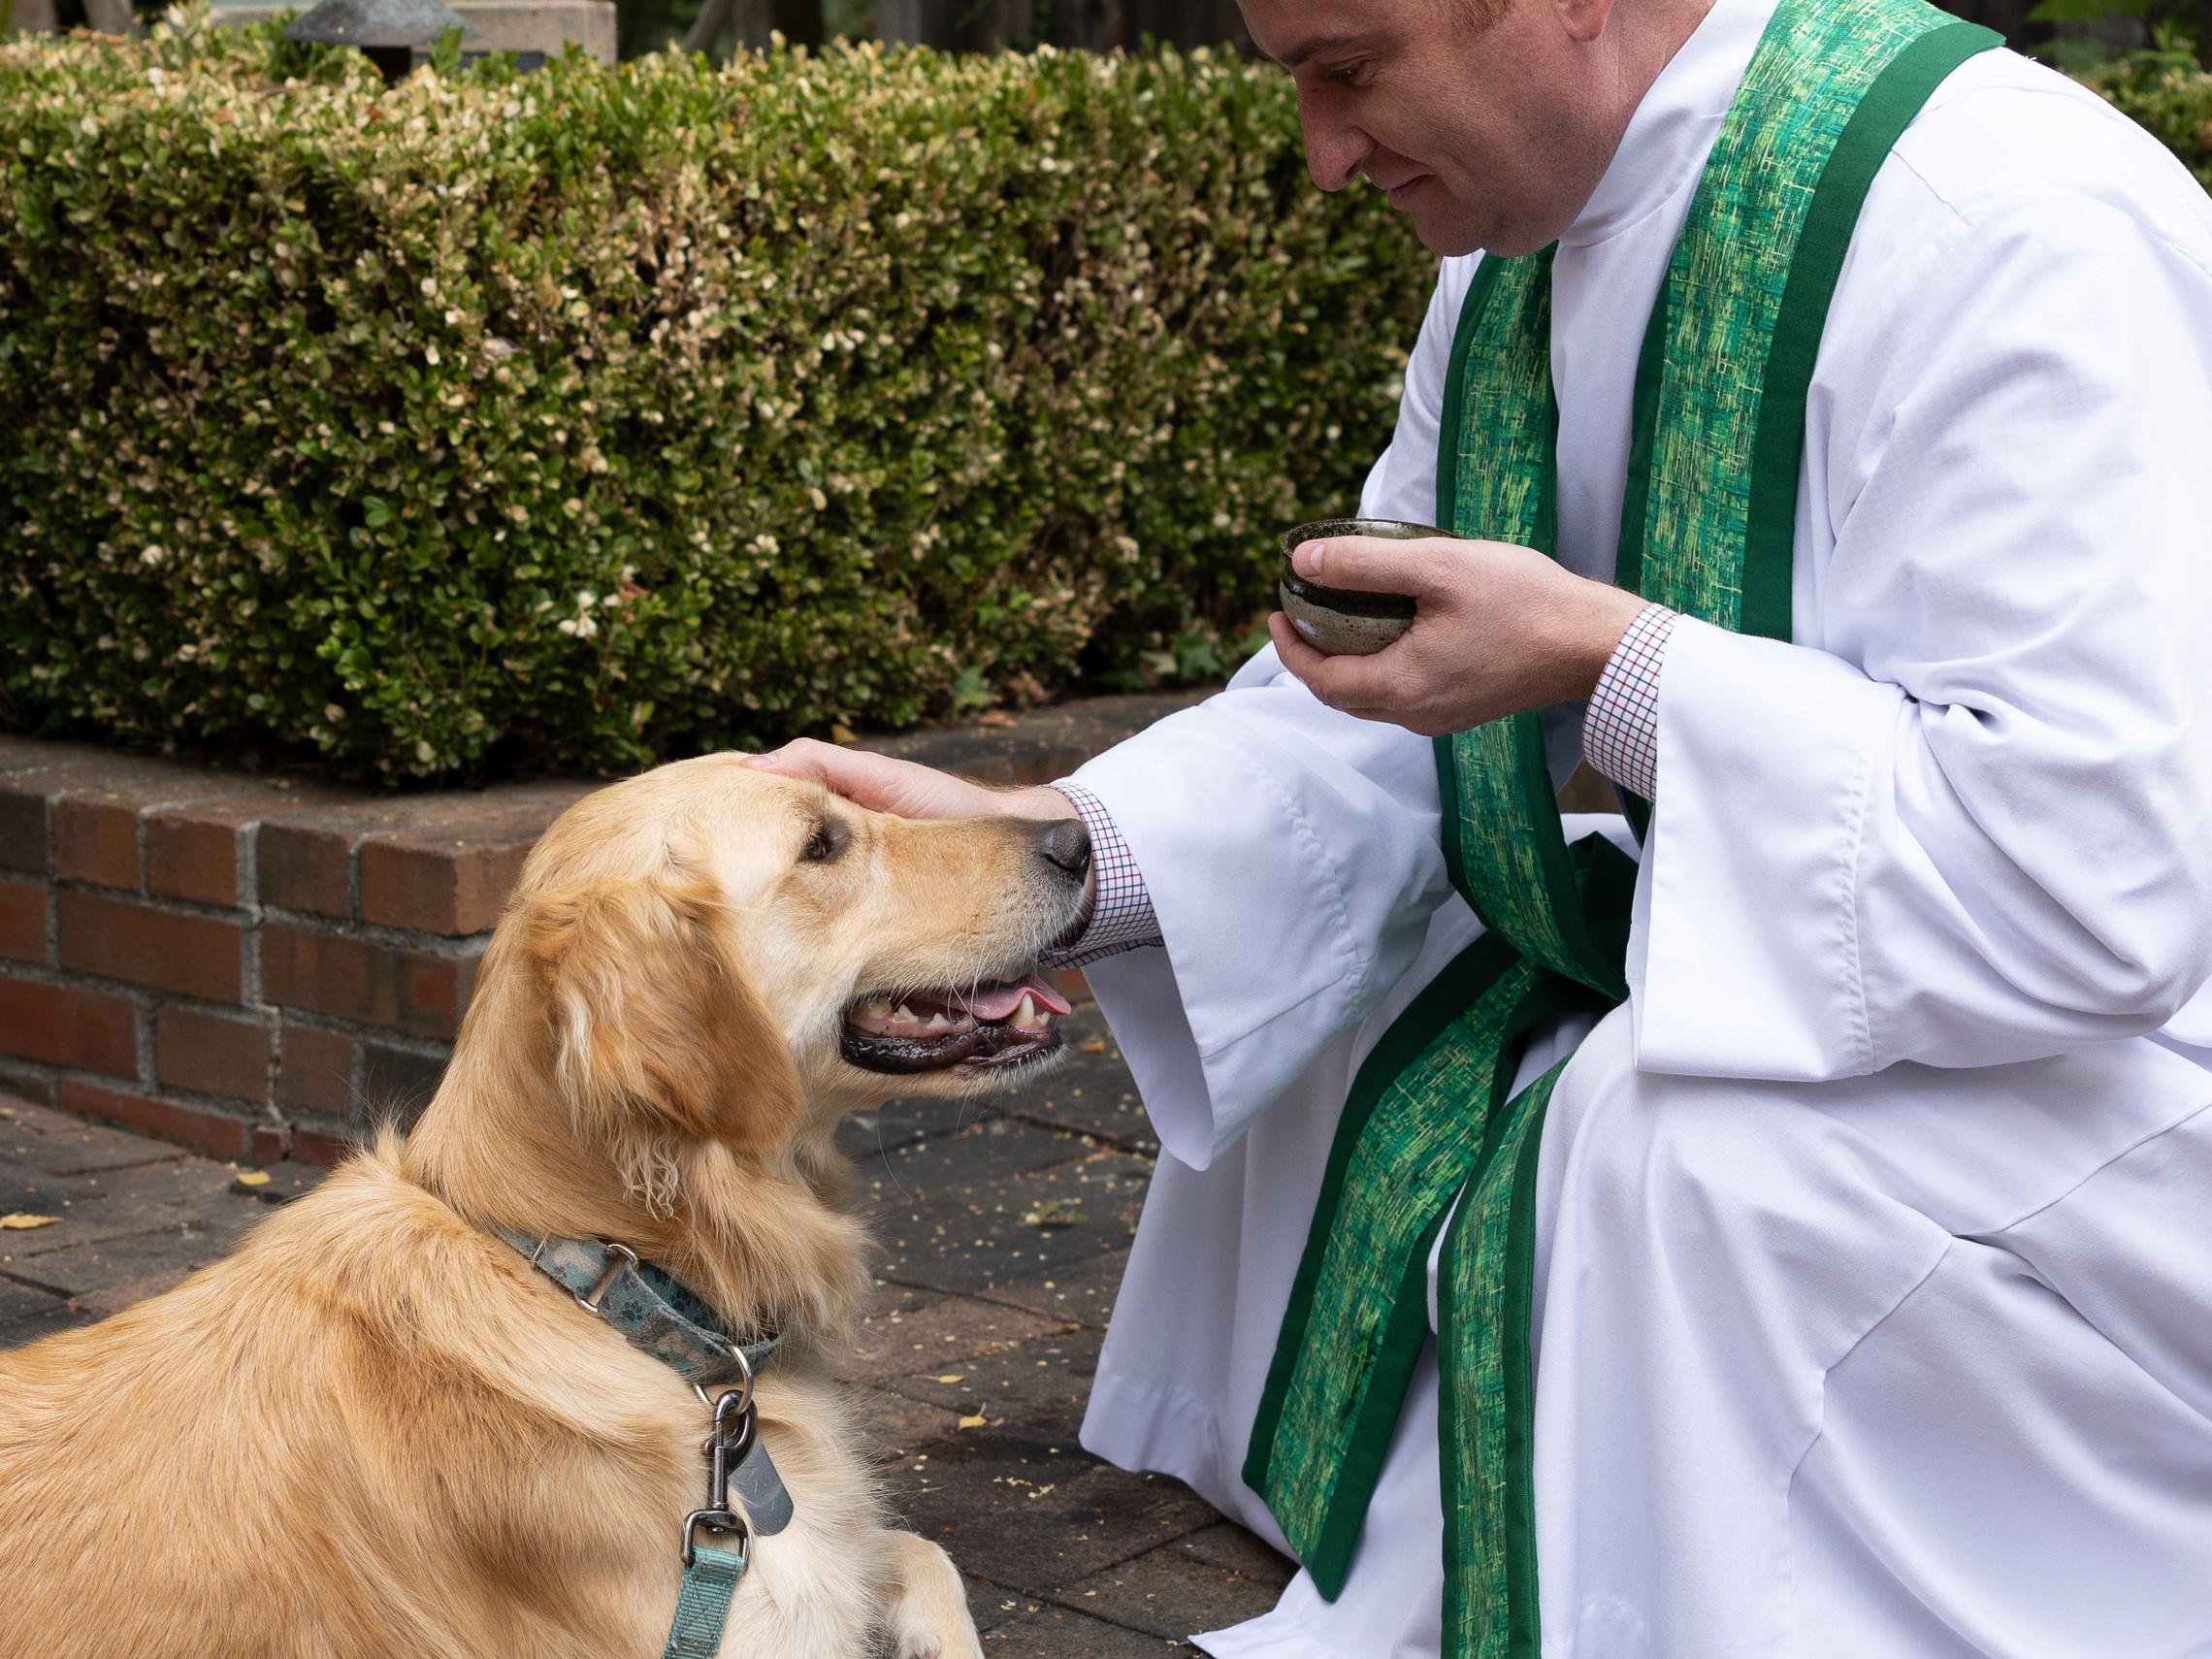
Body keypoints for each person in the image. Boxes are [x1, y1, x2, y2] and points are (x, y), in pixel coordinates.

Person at [752, 0, 2212, 1649]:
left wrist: (1617, 669)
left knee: (1663, 1128)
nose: (1320, 155)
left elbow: (2097, 877)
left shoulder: (2014, 228)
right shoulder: (1515, 264)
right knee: (1363, 995)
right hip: (1896, 938)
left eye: (1349, 69)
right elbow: (1391, 708)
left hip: (2142, 1069)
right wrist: (1059, 847)